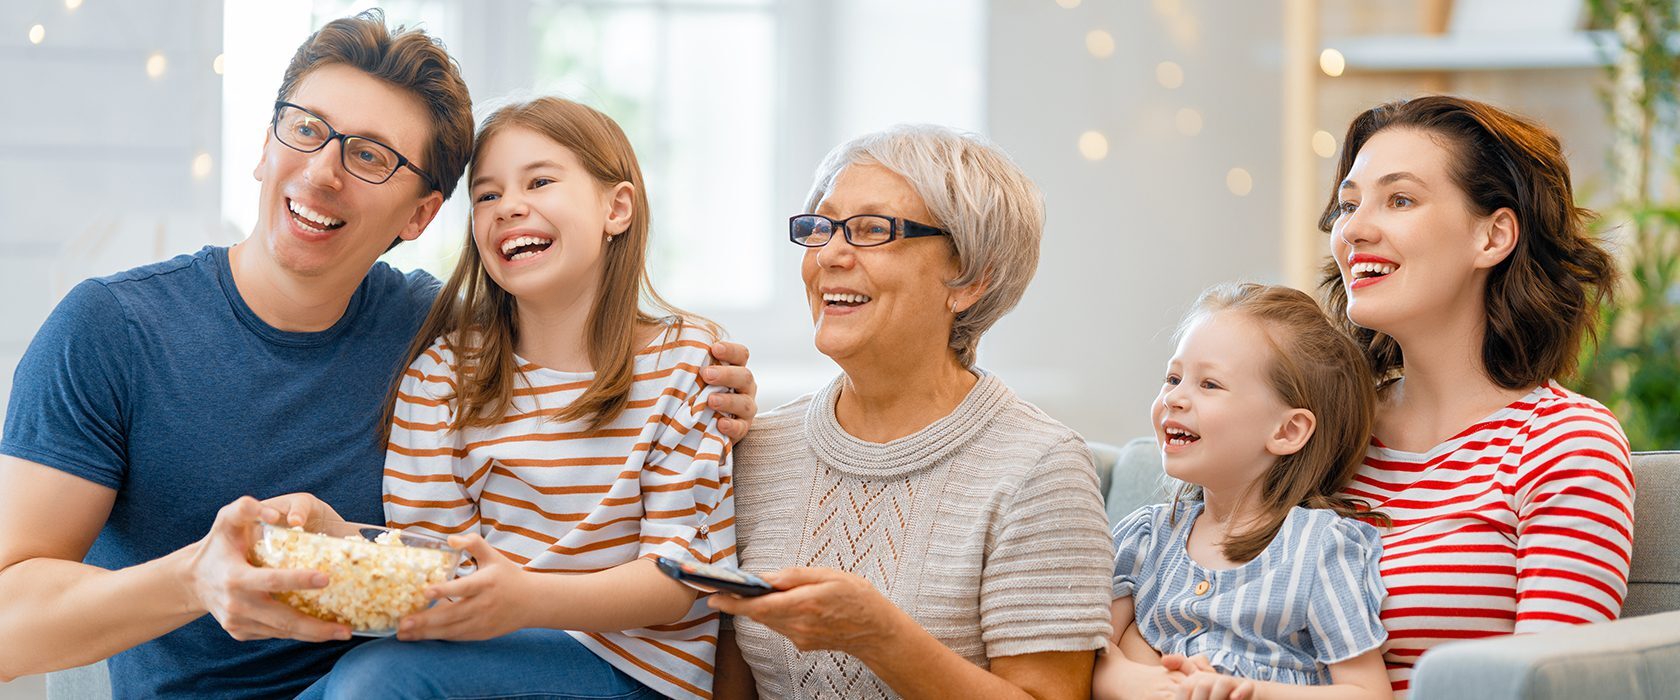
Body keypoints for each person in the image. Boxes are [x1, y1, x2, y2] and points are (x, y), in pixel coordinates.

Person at [0, 12, 757, 699]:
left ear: (422, 213)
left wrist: (720, 384)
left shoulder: (440, 336)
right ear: (266, 145)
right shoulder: (111, 329)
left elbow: (580, 343)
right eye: (305, 129)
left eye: (370, 156)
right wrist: (195, 579)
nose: (324, 170)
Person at [1108, 95, 1634, 699]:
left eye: (1400, 199)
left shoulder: (1565, 443)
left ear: (1493, 235)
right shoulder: (1322, 428)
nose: (1351, 229)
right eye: (1349, 204)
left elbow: (1553, 687)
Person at [298, 96, 734, 700]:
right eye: (487, 195)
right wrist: (340, 539)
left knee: (375, 682)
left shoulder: (687, 360)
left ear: (617, 206)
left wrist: (529, 600)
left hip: (630, 667)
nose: (510, 208)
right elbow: (434, 566)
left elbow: (681, 576)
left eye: (540, 181)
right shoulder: (441, 376)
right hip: (483, 652)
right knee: (353, 683)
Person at [709, 125, 1115, 699]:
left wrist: (879, 636)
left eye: (873, 230)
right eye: (821, 227)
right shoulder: (760, 449)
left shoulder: (1040, 467)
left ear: (972, 279)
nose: (829, 255)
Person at [1093, 283, 1391, 700]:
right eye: (1173, 377)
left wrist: (1248, 691)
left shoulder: (1319, 548)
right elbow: (1089, 649)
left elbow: (1366, 692)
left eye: (1209, 385)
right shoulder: (1147, 538)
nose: (1175, 398)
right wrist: (1150, 682)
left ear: (1287, 431)